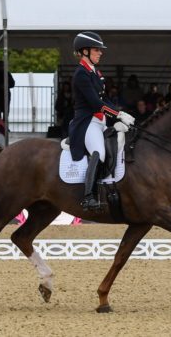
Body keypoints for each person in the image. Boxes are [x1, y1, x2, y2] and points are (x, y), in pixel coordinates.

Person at [68, 32, 135, 211]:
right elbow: (95, 103)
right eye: (96, 50)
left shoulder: (95, 72)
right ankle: (88, 197)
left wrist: (119, 114)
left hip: (101, 121)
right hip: (87, 122)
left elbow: (105, 99)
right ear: (84, 51)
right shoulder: (81, 74)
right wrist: (118, 115)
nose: (100, 53)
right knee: (99, 152)